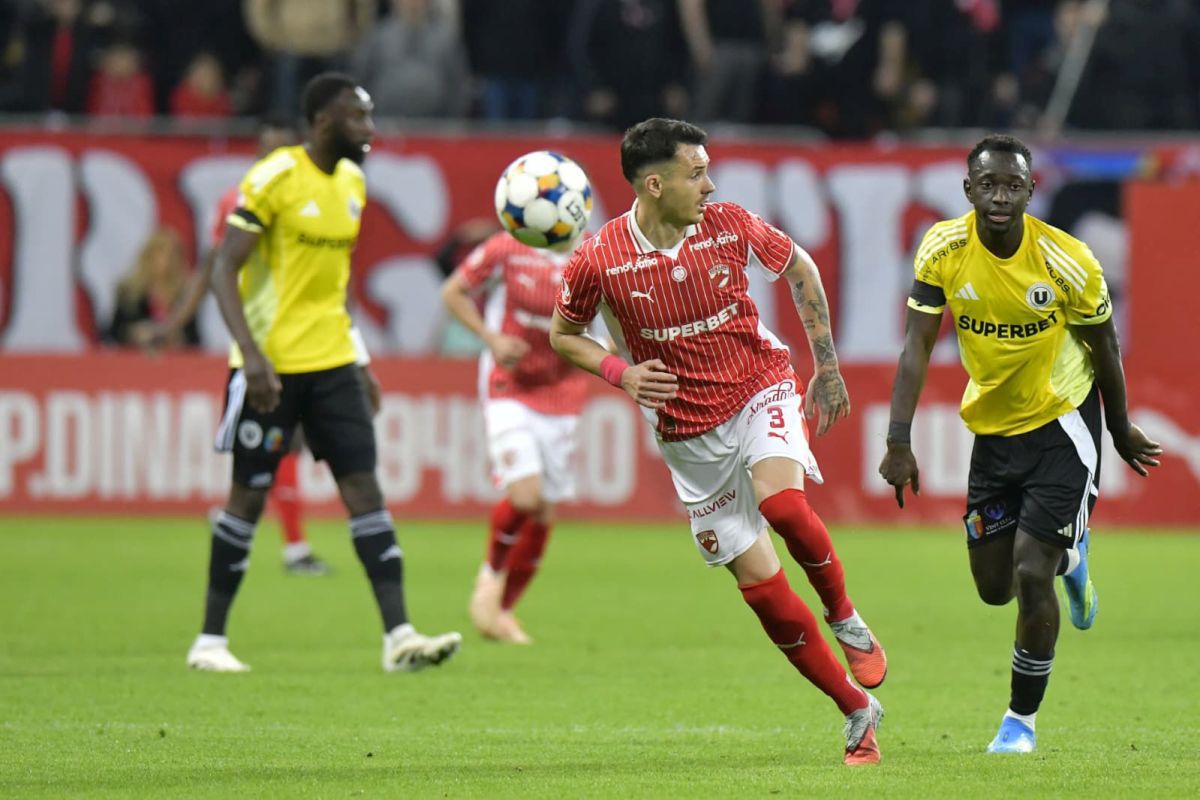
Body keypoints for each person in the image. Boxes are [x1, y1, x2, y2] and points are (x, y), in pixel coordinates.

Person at [549, 118, 887, 766]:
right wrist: (619, 372)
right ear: (655, 184)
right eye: (696, 173)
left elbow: (800, 268)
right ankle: (855, 709)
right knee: (763, 591)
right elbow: (563, 334)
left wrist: (827, 366)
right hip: (687, 435)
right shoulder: (599, 258)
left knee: (783, 505)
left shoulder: (729, 224)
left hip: (760, 386)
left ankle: (845, 616)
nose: (710, 185)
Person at [878, 134, 1162, 753]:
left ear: (1032, 191)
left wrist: (1118, 428)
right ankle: (1073, 559)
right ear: (968, 190)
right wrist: (898, 439)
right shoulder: (943, 249)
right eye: (989, 185)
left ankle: (1019, 722)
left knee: (1032, 574)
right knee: (994, 587)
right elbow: (917, 345)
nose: (1001, 197)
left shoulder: (1068, 261)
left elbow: (1105, 346)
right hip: (995, 432)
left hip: (1063, 426)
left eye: (1013, 186)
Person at [186, 72, 462, 673]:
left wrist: (359, 359)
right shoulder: (275, 177)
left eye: (369, 115)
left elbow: (334, 287)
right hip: (271, 367)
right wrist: (250, 356)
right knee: (248, 497)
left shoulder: (354, 184)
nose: (370, 129)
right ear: (322, 121)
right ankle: (210, 641)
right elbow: (224, 269)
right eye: (357, 117)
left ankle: (399, 638)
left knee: (364, 489)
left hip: (333, 361)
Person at [155, 116, 330, 576]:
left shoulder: (313, 199)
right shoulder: (239, 201)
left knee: (281, 441)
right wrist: (176, 324)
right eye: (267, 152)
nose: (274, 161)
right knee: (282, 438)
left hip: (306, 337)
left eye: (282, 152)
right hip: (261, 337)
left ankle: (235, 519)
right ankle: (292, 548)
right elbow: (214, 267)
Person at [441, 225, 590, 644]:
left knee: (543, 512)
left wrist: (606, 351)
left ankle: (503, 612)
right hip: (508, 384)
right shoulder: (507, 247)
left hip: (562, 391)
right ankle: (490, 576)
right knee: (525, 496)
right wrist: (491, 339)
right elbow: (453, 292)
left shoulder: (594, 253)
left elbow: (614, 322)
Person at [107, 227, 200, 350]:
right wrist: (134, 333)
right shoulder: (128, 292)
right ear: (148, 257)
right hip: (135, 356)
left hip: (172, 357)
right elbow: (113, 332)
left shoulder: (185, 295)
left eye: (171, 256)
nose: (166, 262)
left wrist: (178, 337)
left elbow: (194, 338)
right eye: (160, 255)